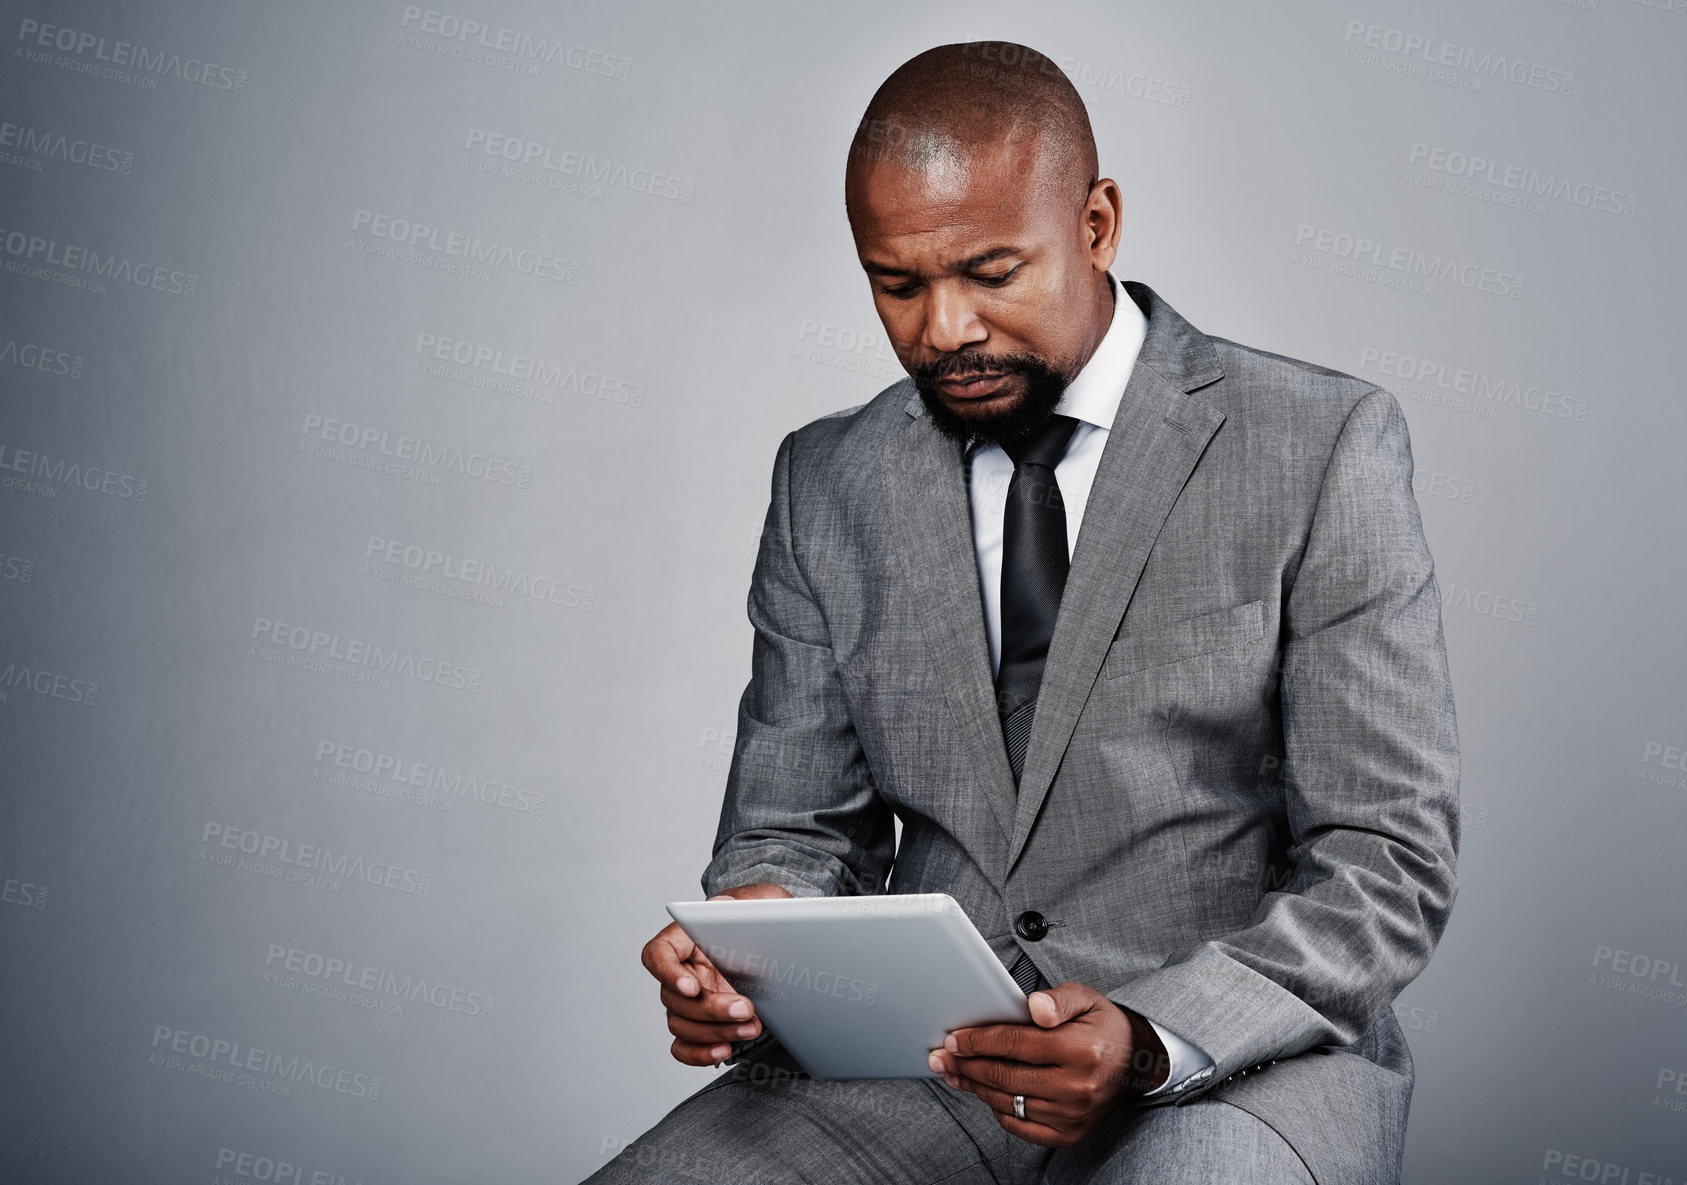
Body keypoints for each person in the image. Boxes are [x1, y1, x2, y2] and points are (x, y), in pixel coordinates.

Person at [587, 39, 1459, 1185]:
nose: (942, 329)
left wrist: (1152, 1040)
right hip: (918, 1066)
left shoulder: (1319, 444)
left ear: (1096, 224)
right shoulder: (826, 480)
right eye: (897, 285)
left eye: (989, 272)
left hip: (1246, 1060)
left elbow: (1384, 859)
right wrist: (744, 950)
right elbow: (792, 833)